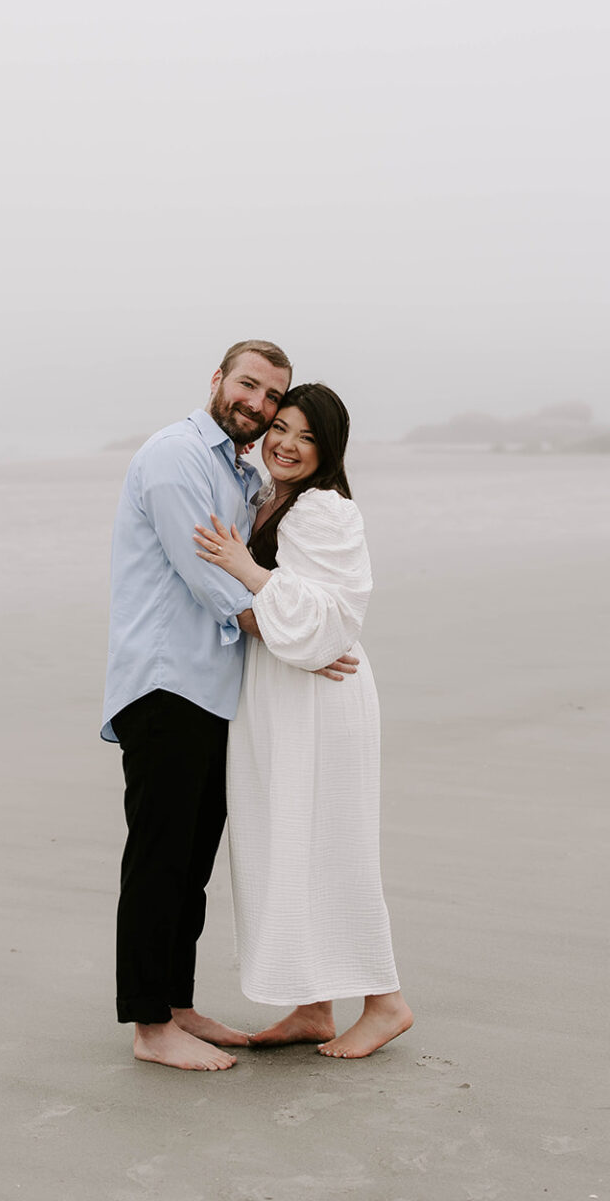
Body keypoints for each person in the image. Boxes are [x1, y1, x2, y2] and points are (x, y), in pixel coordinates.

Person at [102, 343, 358, 1072]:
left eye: (271, 395)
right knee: (158, 857)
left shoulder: (237, 467)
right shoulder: (177, 456)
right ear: (217, 381)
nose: (258, 402)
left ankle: (176, 1004)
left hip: (213, 690)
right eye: (247, 384)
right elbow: (212, 581)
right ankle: (150, 1026)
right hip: (165, 681)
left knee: (190, 860)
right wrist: (303, 642)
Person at [195, 383, 413, 1058]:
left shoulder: (323, 510)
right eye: (280, 428)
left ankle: (385, 1001)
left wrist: (246, 571)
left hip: (322, 697)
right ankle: (313, 1005)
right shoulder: (273, 497)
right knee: (287, 844)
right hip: (283, 690)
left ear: (329, 450)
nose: (286, 444)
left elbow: (334, 618)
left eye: (307, 436)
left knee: (330, 843)